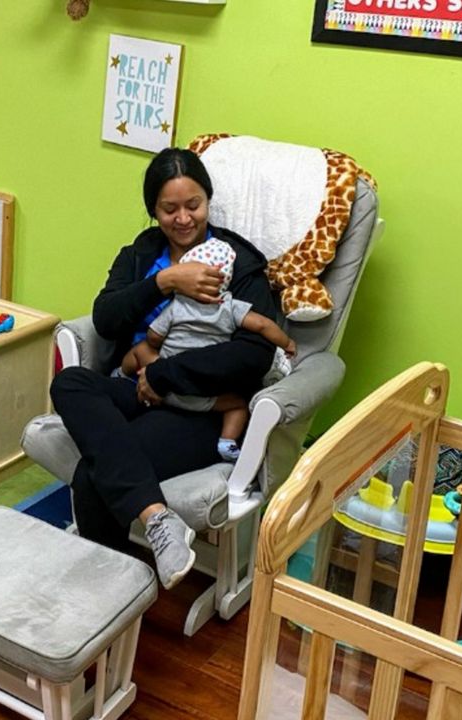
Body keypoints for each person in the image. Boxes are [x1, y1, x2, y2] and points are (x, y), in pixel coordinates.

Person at [50, 147, 282, 589]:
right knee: (70, 382)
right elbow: (105, 317)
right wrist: (165, 281)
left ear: (208, 202)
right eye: (168, 209)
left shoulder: (237, 262)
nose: (183, 219)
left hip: (198, 406)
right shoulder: (141, 255)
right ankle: (158, 519)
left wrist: (162, 376)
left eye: (193, 205)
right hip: (135, 385)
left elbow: (254, 354)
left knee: (92, 473)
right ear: (153, 211)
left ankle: (111, 597)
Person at [119, 236, 296, 462]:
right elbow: (262, 324)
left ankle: (121, 375)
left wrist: (156, 346)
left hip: (162, 390)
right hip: (203, 395)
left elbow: (154, 336)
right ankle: (227, 442)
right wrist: (287, 343)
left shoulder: (177, 306)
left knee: (140, 349)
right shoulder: (230, 307)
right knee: (238, 405)